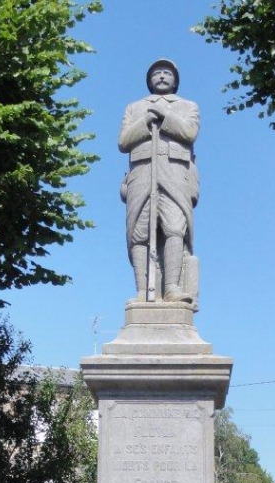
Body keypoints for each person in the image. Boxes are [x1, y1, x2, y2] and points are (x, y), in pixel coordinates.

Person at [118, 59, 199, 304]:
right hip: (142, 174)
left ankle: (172, 287)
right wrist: (145, 121)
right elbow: (123, 142)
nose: (161, 76)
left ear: (175, 80)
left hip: (175, 175)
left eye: (167, 73)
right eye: (156, 73)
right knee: (139, 233)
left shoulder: (187, 106)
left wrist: (165, 115)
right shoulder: (134, 108)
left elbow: (189, 133)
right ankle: (143, 291)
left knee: (175, 227)